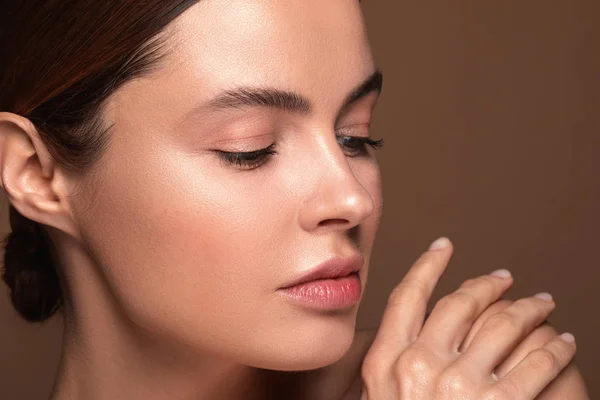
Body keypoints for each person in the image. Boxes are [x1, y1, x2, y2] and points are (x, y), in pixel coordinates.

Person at [0, 1, 589, 399]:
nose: (350, 198)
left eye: (356, 135)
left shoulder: (493, 383)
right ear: (35, 173)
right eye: (249, 149)